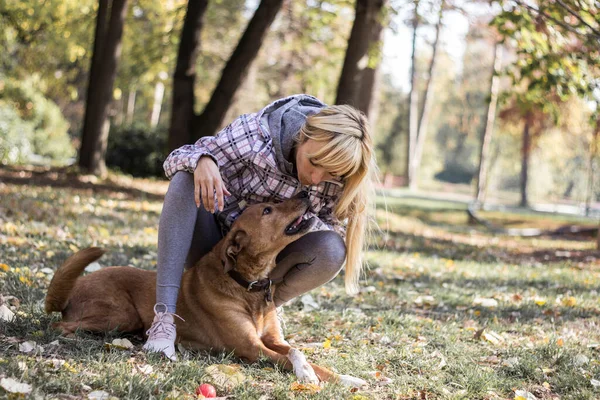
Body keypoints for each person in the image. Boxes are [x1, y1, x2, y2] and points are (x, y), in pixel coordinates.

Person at [143, 94, 376, 360]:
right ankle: (164, 319)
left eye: (331, 174)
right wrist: (202, 161)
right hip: (213, 247)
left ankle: (261, 313)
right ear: (303, 135)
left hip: (262, 265)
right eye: (313, 162)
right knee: (185, 178)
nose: (315, 179)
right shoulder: (255, 136)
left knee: (332, 248)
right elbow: (175, 159)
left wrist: (283, 231)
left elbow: (330, 227)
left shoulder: (342, 172)